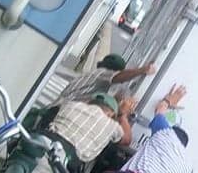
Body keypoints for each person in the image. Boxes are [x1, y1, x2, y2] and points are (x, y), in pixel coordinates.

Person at [2, 92, 134, 173]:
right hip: (54, 158)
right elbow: (127, 139)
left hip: (33, 142)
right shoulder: (111, 125)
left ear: (91, 102)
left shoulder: (71, 105)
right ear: (110, 113)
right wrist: (123, 115)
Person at [23, 54, 155, 131]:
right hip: (60, 114)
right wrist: (142, 70)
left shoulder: (91, 75)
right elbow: (118, 77)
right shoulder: (102, 74)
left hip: (55, 110)